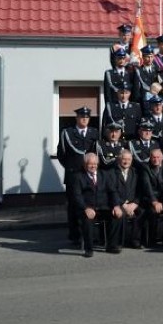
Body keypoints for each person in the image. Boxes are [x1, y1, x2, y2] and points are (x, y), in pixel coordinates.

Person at [57, 106, 99, 244]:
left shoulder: (94, 133)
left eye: (87, 117)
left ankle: (90, 234)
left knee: (89, 203)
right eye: (82, 117)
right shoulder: (67, 133)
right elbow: (61, 154)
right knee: (73, 206)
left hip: (89, 175)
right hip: (73, 175)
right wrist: (71, 168)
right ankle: (74, 235)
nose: (84, 119)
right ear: (77, 118)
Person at [73, 153, 122, 257]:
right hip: (87, 208)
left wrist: (116, 206)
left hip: (104, 207)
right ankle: (89, 249)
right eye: (90, 164)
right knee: (87, 220)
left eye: (95, 164)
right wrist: (85, 208)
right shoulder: (78, 176)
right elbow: (77, 196)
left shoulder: (104, 175)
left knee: (117, 216)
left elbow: (113, 191)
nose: (93, 166)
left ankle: (111, 246)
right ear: (85, 164)